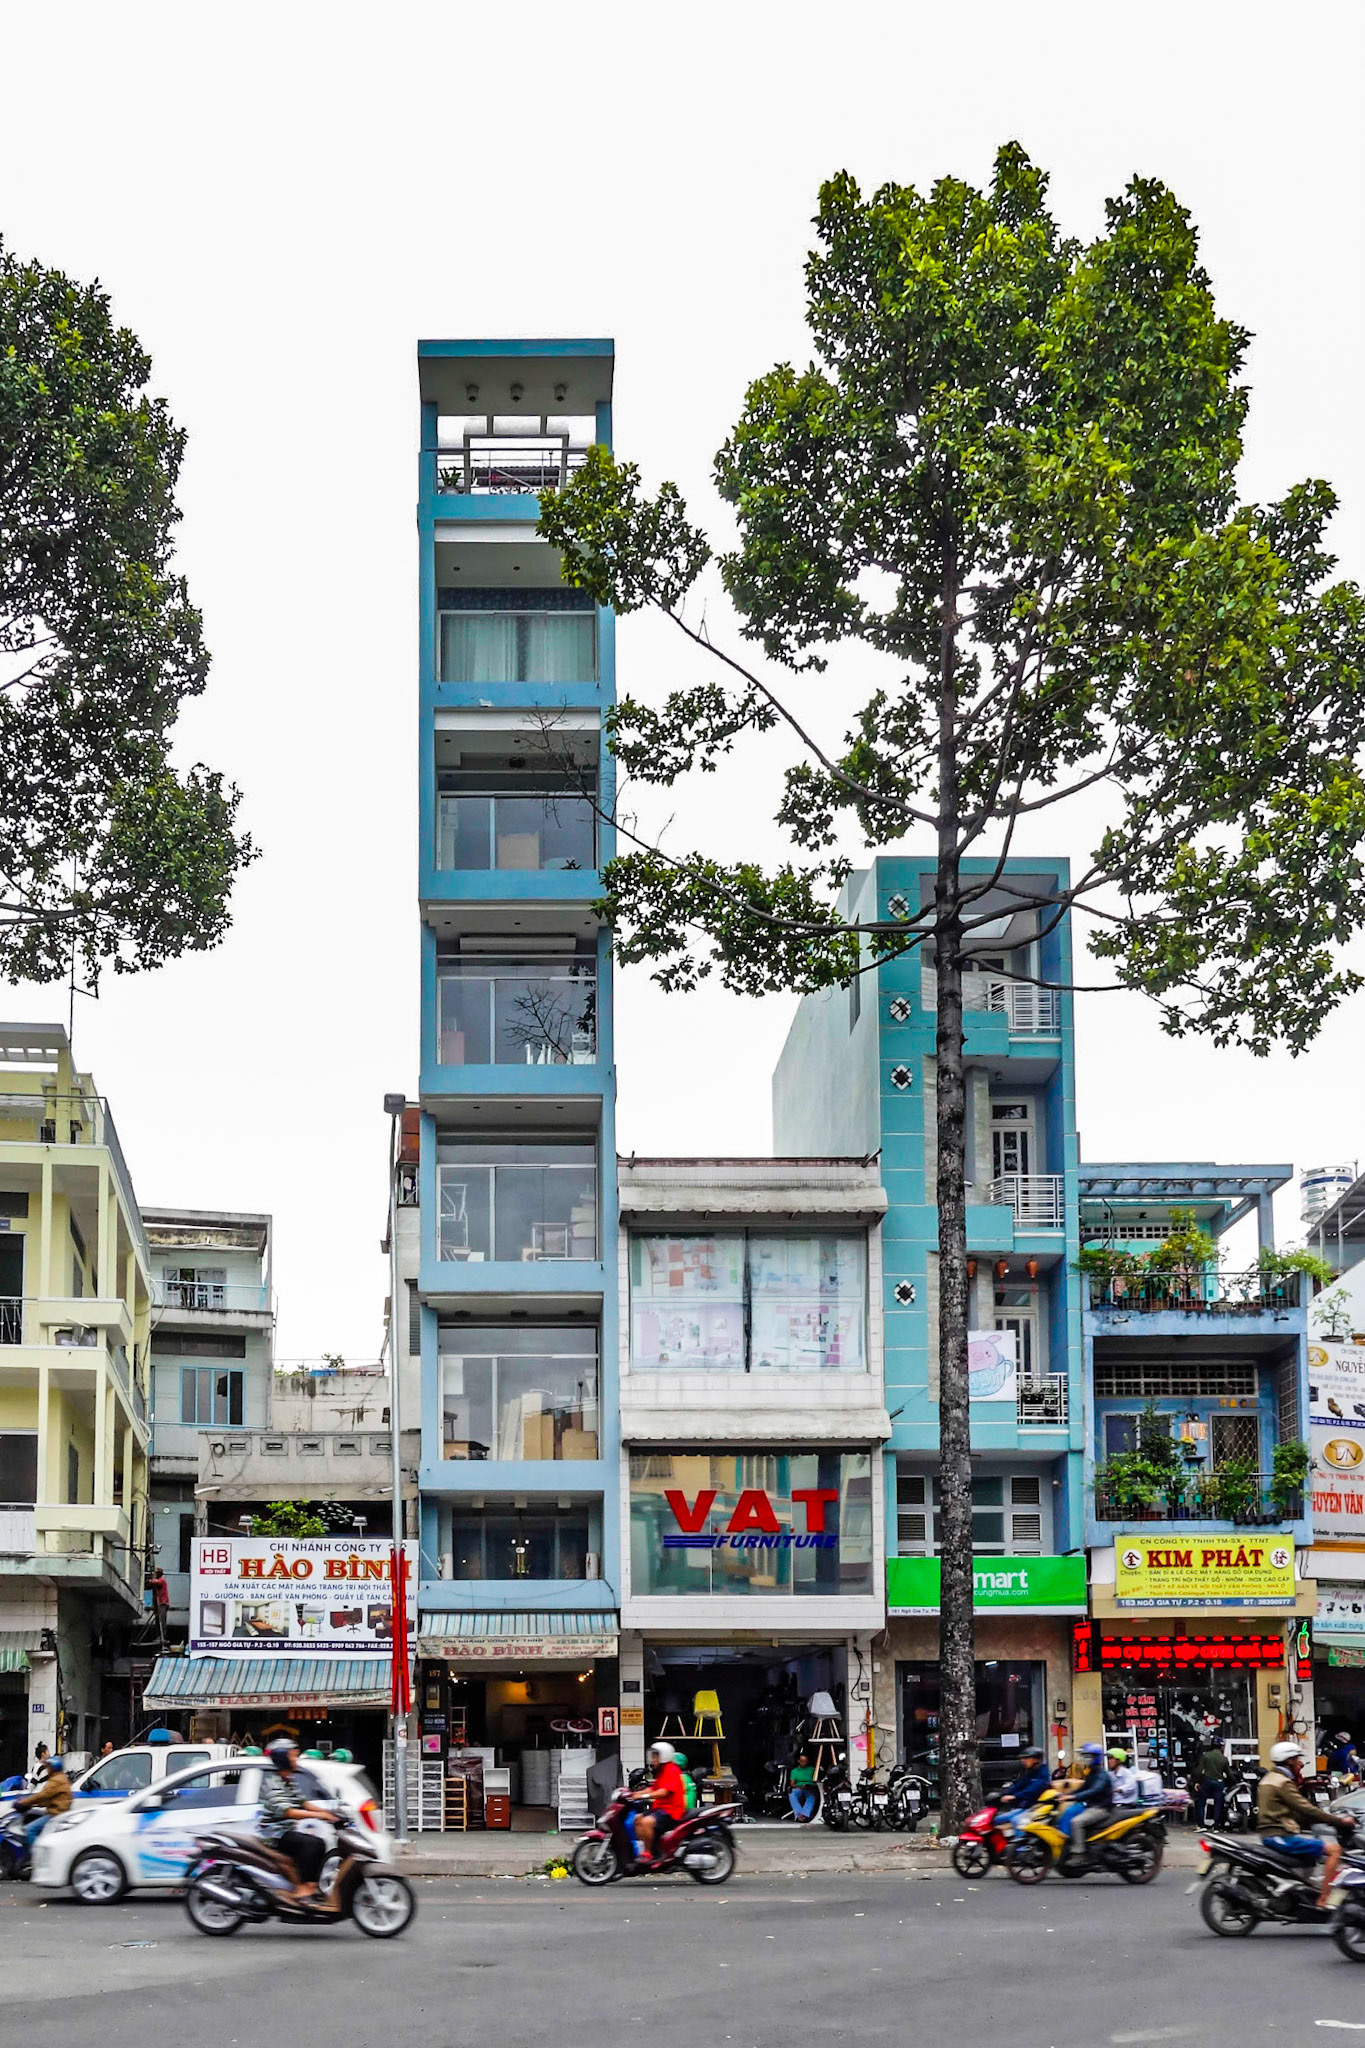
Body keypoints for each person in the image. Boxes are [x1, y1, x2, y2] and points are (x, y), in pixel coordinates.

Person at [1259, 1739, 1353, 1909]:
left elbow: (1293, 1812)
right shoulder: (1283, 1782)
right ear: (1289, 1761)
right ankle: (1324, 1899)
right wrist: (1339, 1821)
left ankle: (1304, 1892)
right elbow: (1306, 1809)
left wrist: (1316, 1820)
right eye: (1296, 1759)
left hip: (1275, 1833)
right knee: (1334, 1850)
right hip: (1280, 1836)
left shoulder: (1270, 1778)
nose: (1299, 1763)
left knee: (1311, 1855)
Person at [257, 1737, 342, 1904]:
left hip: (286, 1830)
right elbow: (289, 1811)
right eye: (293, 1755)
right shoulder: (272, 1783)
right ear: (283, 1758)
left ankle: (312, 1885)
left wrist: (330, 1812)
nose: (296, 1759)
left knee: (320, 1843)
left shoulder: (289, 1780)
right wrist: (321, 1816)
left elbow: (304, 1804)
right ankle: (303, 1888)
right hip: (274, 1834)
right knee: (310, 1844)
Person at [632, 1740, 689, 1863]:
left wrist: (643, 1796)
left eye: (655, 1756)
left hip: (671, 1810)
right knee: (637, 1819)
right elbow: (654, 1787)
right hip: (660, 1808)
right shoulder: (662, 1771)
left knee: (646, 1822)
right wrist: (634, 1794)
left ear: (664, 1756)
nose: (653, 1759)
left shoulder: (672, 1770)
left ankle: (649, 1854)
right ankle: (651, 1847)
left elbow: (664, 1792)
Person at [1062, 1742, 1114, 1859]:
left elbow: (1095, 1790)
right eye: (1084, 1756)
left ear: (1096, 1758)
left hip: (1100, 1808)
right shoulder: (1091, 1773)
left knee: (1076, 1822)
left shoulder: (1102, 1775)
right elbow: (1083, 1788)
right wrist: (1064, 1795)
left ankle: (1079, 1854)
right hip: (1091, 1806)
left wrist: (1074, 1797)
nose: (1085, 1759)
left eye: (1088, 1756)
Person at [13, 1752, 71, 1853]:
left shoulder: (56, 1781)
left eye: (48, 1767)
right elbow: (47, 1799)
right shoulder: (60, 1778)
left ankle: (37, 1856)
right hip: (56, 1813)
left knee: (30, 1830)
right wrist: (33, 1804)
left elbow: (42, 1795)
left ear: (53, 1768)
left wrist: (24, 1802)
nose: (47, 1769)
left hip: (55, 1815)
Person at [998, 1746, 1052, 1813]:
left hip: (1034, 1808)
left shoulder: (1043, 1773)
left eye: (1026, 1758)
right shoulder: (1030, 1772)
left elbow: (1033, 1790)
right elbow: (1019, 1786)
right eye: (1022, 1758)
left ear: (1036, 1759)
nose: (1023, 1761)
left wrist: (1015, 1796)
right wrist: (1002, 1795)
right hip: (1023, 1806)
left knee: (1008, 1820)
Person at [1196, 1737, 1234, 1827]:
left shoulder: (1206, 1756)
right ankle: (1216, 1825)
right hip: (1219, 1782)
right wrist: (1234, 1782)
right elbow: (1229, 1773)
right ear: (1221, 1747)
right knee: (1218, 1803)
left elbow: (1199, 1770)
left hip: (1207, 1781)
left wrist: (1197, 1781)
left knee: (1202, 1802)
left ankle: (1201, 1825)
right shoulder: (1223, 1758)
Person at [788, 1750, 818, 1822]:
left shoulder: (811, 1769)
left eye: (805, 1761)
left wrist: (809, 1785)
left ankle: (804, 1814)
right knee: (792, 1795)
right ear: (798, 1761)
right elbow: (792, 1784)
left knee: (811, 1796)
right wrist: (799, 1786)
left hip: (809, 1787)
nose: (804, 1763)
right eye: (802, 1761)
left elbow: (816, 1780)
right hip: (798, 1787)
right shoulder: (794, 1771)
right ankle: (799, 1815)